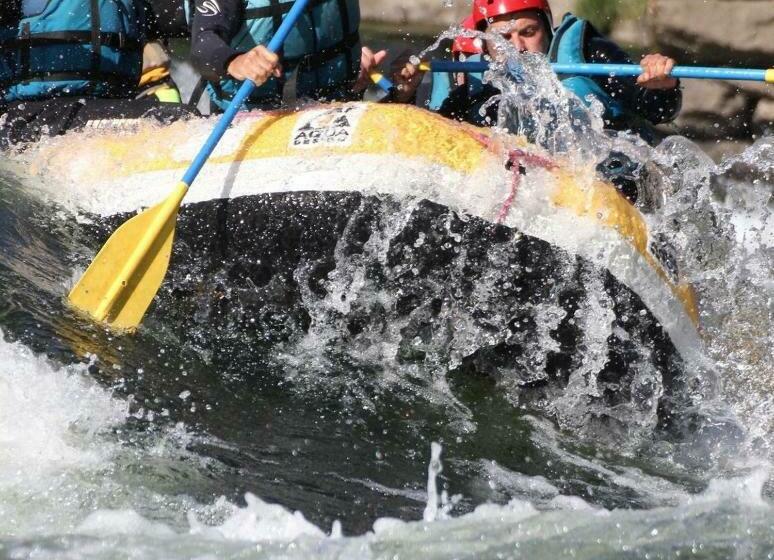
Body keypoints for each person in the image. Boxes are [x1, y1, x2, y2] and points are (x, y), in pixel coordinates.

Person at [392, 0, 682, 141]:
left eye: (528, 32)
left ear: (547, 28)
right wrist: (404, 96)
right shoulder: (475, 85)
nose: (517, 46)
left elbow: (658, 110)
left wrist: (662, 85)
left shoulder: (588, 52)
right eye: (503, 37)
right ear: (485, 44)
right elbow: (429, 135)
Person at [0, 0, 194, 148]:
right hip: (33, 116)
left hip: (104, 107)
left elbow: (195, 18)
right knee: (179, 120)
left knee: (192, 120)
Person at [189, 0, 385, 111]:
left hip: (335, 108)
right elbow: (202, 45)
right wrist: (236, 62)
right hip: (248, 118)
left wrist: (401, 93)